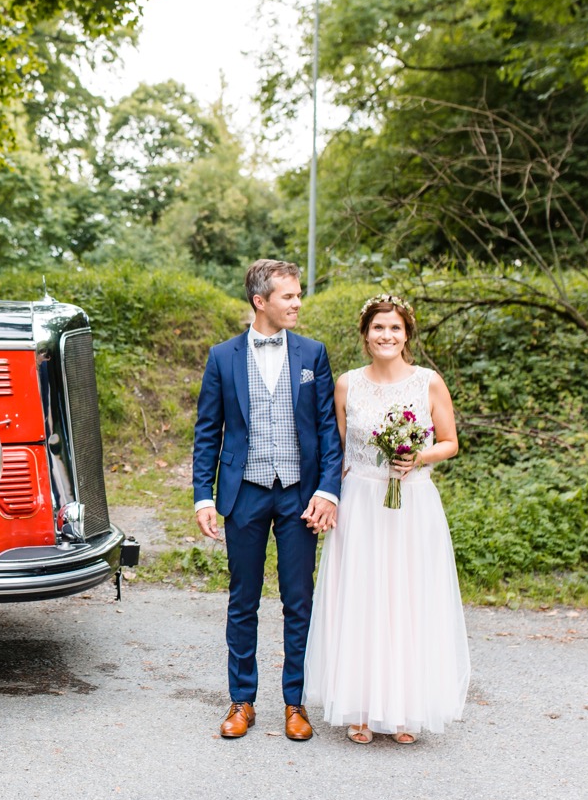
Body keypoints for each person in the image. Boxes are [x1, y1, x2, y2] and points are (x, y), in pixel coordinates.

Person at [303, 294, 471, 744]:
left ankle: (403, 711)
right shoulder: (347, 385)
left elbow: (450, 442)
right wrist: (327, 498)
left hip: (412, 505)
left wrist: (418, 456)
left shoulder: (428, 382)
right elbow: (334, 451)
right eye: (379, 328)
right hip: (360, 501)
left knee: (408, 599)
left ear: (406, 335)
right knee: (363, 598)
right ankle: (359, 706)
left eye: (395, 328)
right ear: (365, 335)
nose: (386, 336)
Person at [193, 259, 343, 742]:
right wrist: (203, 497)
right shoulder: (222, 357)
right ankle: (242, 701)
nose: (297, 303)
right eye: (289, 296)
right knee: (243, 601)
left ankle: (295, 704)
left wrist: (327, 490)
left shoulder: (313, 354)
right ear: (261, 301)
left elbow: (326, 428)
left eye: (298, 295)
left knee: (299, 602)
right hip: (246, 492)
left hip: (300, 494)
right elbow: (207, 432)